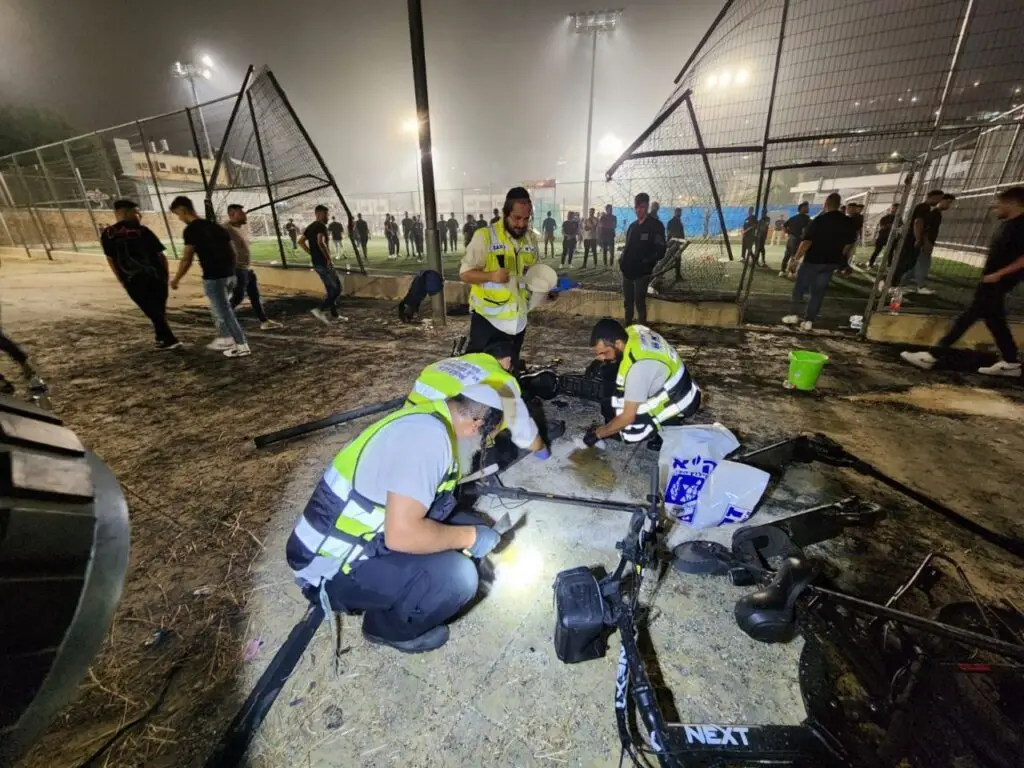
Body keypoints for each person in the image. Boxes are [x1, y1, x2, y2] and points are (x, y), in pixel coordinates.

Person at [286, 387, 506, 653]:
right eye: (486, 439)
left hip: (366, 537)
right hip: (330, 568)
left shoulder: (429, 418)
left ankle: (406, 593)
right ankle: (387, 629)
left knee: (468, 522)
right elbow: (403, 535)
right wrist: (470, 537)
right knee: (457, 576)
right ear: (477, 425)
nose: (482, 447)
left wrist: (470, 531)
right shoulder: (429, 440)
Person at [900, 187, 1024, 378]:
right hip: (992, 280)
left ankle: (933, 355)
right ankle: (1011, 361)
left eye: (1000, 203)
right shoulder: (1010, 223)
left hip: (997, 281)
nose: (995, 207)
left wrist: (999, 274)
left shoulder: (1021, 225)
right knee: (994, 320)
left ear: (1013, 203)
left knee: (967, 317)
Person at [407, 341, 546, 456]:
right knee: (498, 415)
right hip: (441, 442)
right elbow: (524, 433)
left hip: (408, 421)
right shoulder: (502, 380)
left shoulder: (444, 363)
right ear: (507, 361)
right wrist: (541, 449)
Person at [582, 319, 700, 448]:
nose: (601, 357)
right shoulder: (633, 332)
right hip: (680, 382)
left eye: (604, 352)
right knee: (610, 368)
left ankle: (670, 429)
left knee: (629, 429)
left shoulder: (639, 369)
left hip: (681, 400)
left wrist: (598, 434)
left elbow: (627, 417)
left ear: (619, 344)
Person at [460, 187, 540, 367]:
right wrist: (491, 276)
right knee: (478, 371)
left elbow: (533, 273)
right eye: (517, 218)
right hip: (488, 320)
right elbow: (465, 274)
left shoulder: (530, 239)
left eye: (526, 219)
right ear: (505, 213)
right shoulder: (485, 236)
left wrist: (545, 290)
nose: (521, 224)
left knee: (508, 375)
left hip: (517, 322)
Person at [168, 196, 249, 357]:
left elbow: (187, 258)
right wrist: (232, 272)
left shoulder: (191, 230)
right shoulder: (215, 227)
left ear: (183, 210)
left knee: (224, 311)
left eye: (178, 214)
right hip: (229, 275)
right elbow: (232, 251)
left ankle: (241, 345)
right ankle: (226, 338)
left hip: (214, 277)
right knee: (219, 308)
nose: (179, 218)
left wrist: (176, 278)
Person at [101, 199, 180, 350]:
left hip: (133, 278)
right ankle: (170, 339)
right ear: (127, 212)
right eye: (137, 212)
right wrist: (165, 275)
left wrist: (121, 279)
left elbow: (111, 259)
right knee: (156, 309)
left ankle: (161, 338)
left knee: (153, 309)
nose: (140, 215)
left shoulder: (109, 234)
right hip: (153, 276)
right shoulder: (143, 231)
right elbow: (160, 255)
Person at [781, 192, 852, 331]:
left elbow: (807, 241)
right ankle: (809, 321)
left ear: (826, 203)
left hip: (813, 261)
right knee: (818, 293)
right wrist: (838, 257)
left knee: (799, 288)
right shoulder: (847, 222)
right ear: (838, 205)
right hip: (831, 262)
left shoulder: (819, 220)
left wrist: (795, 259)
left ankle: (793, 315)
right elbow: (848, 245)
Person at [224, 204, 283, 330]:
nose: (245, 215)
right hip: (238, 269)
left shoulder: (239, 228)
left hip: (247, 269)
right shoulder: (225, 229)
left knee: (254, 296)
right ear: (231, 214)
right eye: (241, 213)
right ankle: (222, 320)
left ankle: (264, 322)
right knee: (238, 297)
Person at [620, 193, 665, 326]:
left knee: (639, 302)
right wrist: (622, 260)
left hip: (642, 272)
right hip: (627, 271)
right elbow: (628, 247)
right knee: (628, 303)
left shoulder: (656, 226)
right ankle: (627, 328)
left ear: (646, 206)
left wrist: (648, 263)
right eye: (636, 207)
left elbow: (661, 250)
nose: (638, 210)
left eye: (641, 207)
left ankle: (641, 331)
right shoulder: (633, 226)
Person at [900, 193, 955, 294]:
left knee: (916, 265)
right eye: (948, 202)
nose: (949, 206)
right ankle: (921, 286)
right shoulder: (933, 212)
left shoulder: (935, 212)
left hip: (926, 242)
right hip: (925, 243)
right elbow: (925, 228)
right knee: (923, 264)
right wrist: (925, 241)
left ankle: (902, 283)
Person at [891, 189, 944, 289]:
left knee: (909, 263)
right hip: (911, 239)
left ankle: (895, 283)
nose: (939, 201)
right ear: (931, 197)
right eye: (938, 198)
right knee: (905, 262)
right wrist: (918, 239)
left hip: (912, 238)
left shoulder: (927, 208)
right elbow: (917, 222)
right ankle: (892, 283)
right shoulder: (923, 207)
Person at [299, 204, 343, 325]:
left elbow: (301, 242)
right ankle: (320, 309)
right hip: (324, 263)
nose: (327, 216)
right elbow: (320, 242)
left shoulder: (311, 227)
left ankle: (334, 314)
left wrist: (312, 253)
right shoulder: (321, 226)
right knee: (337, 289)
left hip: (317, 263)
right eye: (325, 214)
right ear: (318, 214)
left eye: (327, 214)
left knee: (331, 289)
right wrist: (329, 259)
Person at [779, 201, 810, 276]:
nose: (808, 208)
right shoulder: (806, 218)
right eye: (806, 207)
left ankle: (782, 271)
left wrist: (787, 233)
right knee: (795, 256)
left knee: (787, 255)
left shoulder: (793, 218)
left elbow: (784, 226)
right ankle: (791, 272)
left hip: (790, 239)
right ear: (802, 208)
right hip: (797, 239)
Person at [868, 204, 899, 269]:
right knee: (877, 251)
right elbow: (882, 226)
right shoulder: (885, 218)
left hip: (892, 238)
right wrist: (889, 226)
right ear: (891, 209)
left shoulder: (899, 218)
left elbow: (900, 227)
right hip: (882, 237)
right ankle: (871, 263)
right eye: (893, 208)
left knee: (890, 252)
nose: (895, 210)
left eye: (896, 209)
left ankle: (889, 265)